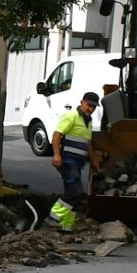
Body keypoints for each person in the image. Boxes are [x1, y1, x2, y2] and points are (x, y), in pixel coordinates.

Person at [49, 91, 99, 231]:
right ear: (81, 102)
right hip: (67, 160)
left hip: (78, 162)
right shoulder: (71, 116)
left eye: (94, 107)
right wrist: (57, 155)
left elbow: (87, 142)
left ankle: (66, 226)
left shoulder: (88, 121)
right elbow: (57, 135)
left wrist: (93, 158)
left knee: (73, 193)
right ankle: (52, 218)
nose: (91, 109)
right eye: (89, 105)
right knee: (75, 192)